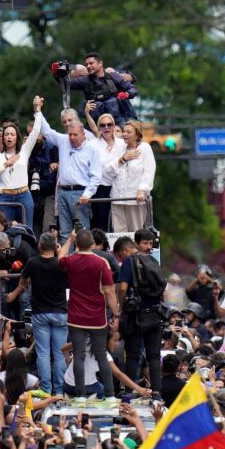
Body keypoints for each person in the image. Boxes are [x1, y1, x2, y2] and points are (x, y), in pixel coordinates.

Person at [58, 228, 118, 407]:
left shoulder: (71, 260)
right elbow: (109, 291)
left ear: (77, 244)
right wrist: (116, 313)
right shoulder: (101, 263)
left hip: (76, 316)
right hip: (97, 317)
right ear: (92, 244)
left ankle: (81, 396)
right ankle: (110, 396)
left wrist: (69, 240)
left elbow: (59, 257)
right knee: (101, 355)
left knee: (79, 356)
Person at [33, 97, 102, 236]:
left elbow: (96, 176)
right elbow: (47, 131)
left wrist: (87, 194)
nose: (71, 137)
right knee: (64, 232)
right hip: (63, 192)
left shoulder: (92, 148)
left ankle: (84, 257)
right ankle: (67, 258)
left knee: (82, 233)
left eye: (75, 135)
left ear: (83, 134)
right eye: (70, 134)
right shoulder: (64, 140)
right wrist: (38, 110)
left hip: (80, 193)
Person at [10, 233, 68, 395]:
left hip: (40, 313)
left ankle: (45, 389)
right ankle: (59, 390)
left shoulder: (32, 262)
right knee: (59, 353)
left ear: (40, 246)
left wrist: (27, 283)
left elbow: (23, 281)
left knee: (43, 353)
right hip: (60, 312)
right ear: (55, 247)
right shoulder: (60, 263)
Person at [118, 229, 164, 391]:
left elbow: (123, 288)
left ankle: (130, 391)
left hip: (136, 315)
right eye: (146, 243)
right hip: (155, 314)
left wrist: (120, 307)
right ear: (137, 243)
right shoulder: (154, 261)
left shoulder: (129, 262)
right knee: (154, 356)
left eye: (150, 243)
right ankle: (157, 392)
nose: (148, 246)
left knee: (132, 355)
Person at [0, 118, 41, 231]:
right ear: (3, 138)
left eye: (12, 134)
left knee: (27, 229)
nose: (9, 137)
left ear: (17, 137)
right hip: (5, 197)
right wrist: (6, 164)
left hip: (23, 195)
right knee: (5, 230)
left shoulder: (24, 151)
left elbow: (35, 131)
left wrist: (38, 111)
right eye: (6, 134)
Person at [103, 121, 155, 233]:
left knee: (136, 232)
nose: (124, 134)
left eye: (128, 132)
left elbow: (149, 172)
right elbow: (109, 171)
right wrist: (123, 159)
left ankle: (136, 251)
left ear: (137, 134)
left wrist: (142, 189)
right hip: (117, 198)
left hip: (135, 198)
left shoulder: (145, 148)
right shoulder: (119, 148)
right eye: (124, 131)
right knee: (119, 234)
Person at [84, 108, 125, 231]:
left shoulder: (123, 144)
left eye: (109, 124)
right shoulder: (92, 145)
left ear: (114, 126)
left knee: (120, 223)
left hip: (120, 186)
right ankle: (99, 249)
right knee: (100, 222)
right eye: (102, 125)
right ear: (99, 128)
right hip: (100, 187)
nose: (106, 127)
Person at [68, 52, 139, 123]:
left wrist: (127, 94)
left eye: (91, 63)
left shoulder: (111, 76)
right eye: (86, 65)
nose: (88, 66)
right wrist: (62, 67)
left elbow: (133, 87)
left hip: (119, 120)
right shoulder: (85, 81)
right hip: (98, 124)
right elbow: (66, 83)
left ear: (100, 63)